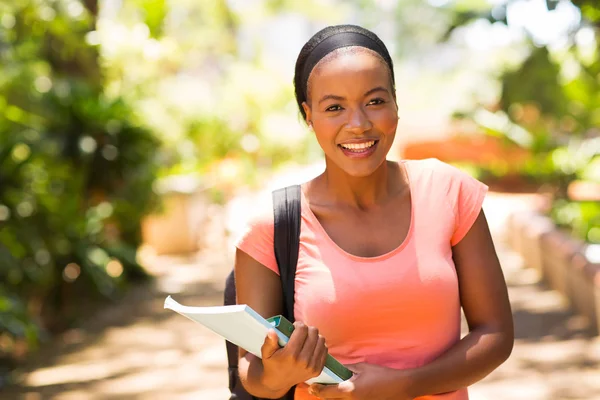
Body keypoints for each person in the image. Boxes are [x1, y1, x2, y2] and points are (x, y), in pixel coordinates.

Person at [234, 24, 514, 400]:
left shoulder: (449, 193)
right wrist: (277, 375)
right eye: (334, 107)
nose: (358, 124)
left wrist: (403, 386)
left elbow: (495, 334)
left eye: (375, 101)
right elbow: (251, 369)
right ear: (308, 115)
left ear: (396, 102)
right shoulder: (271, 226)